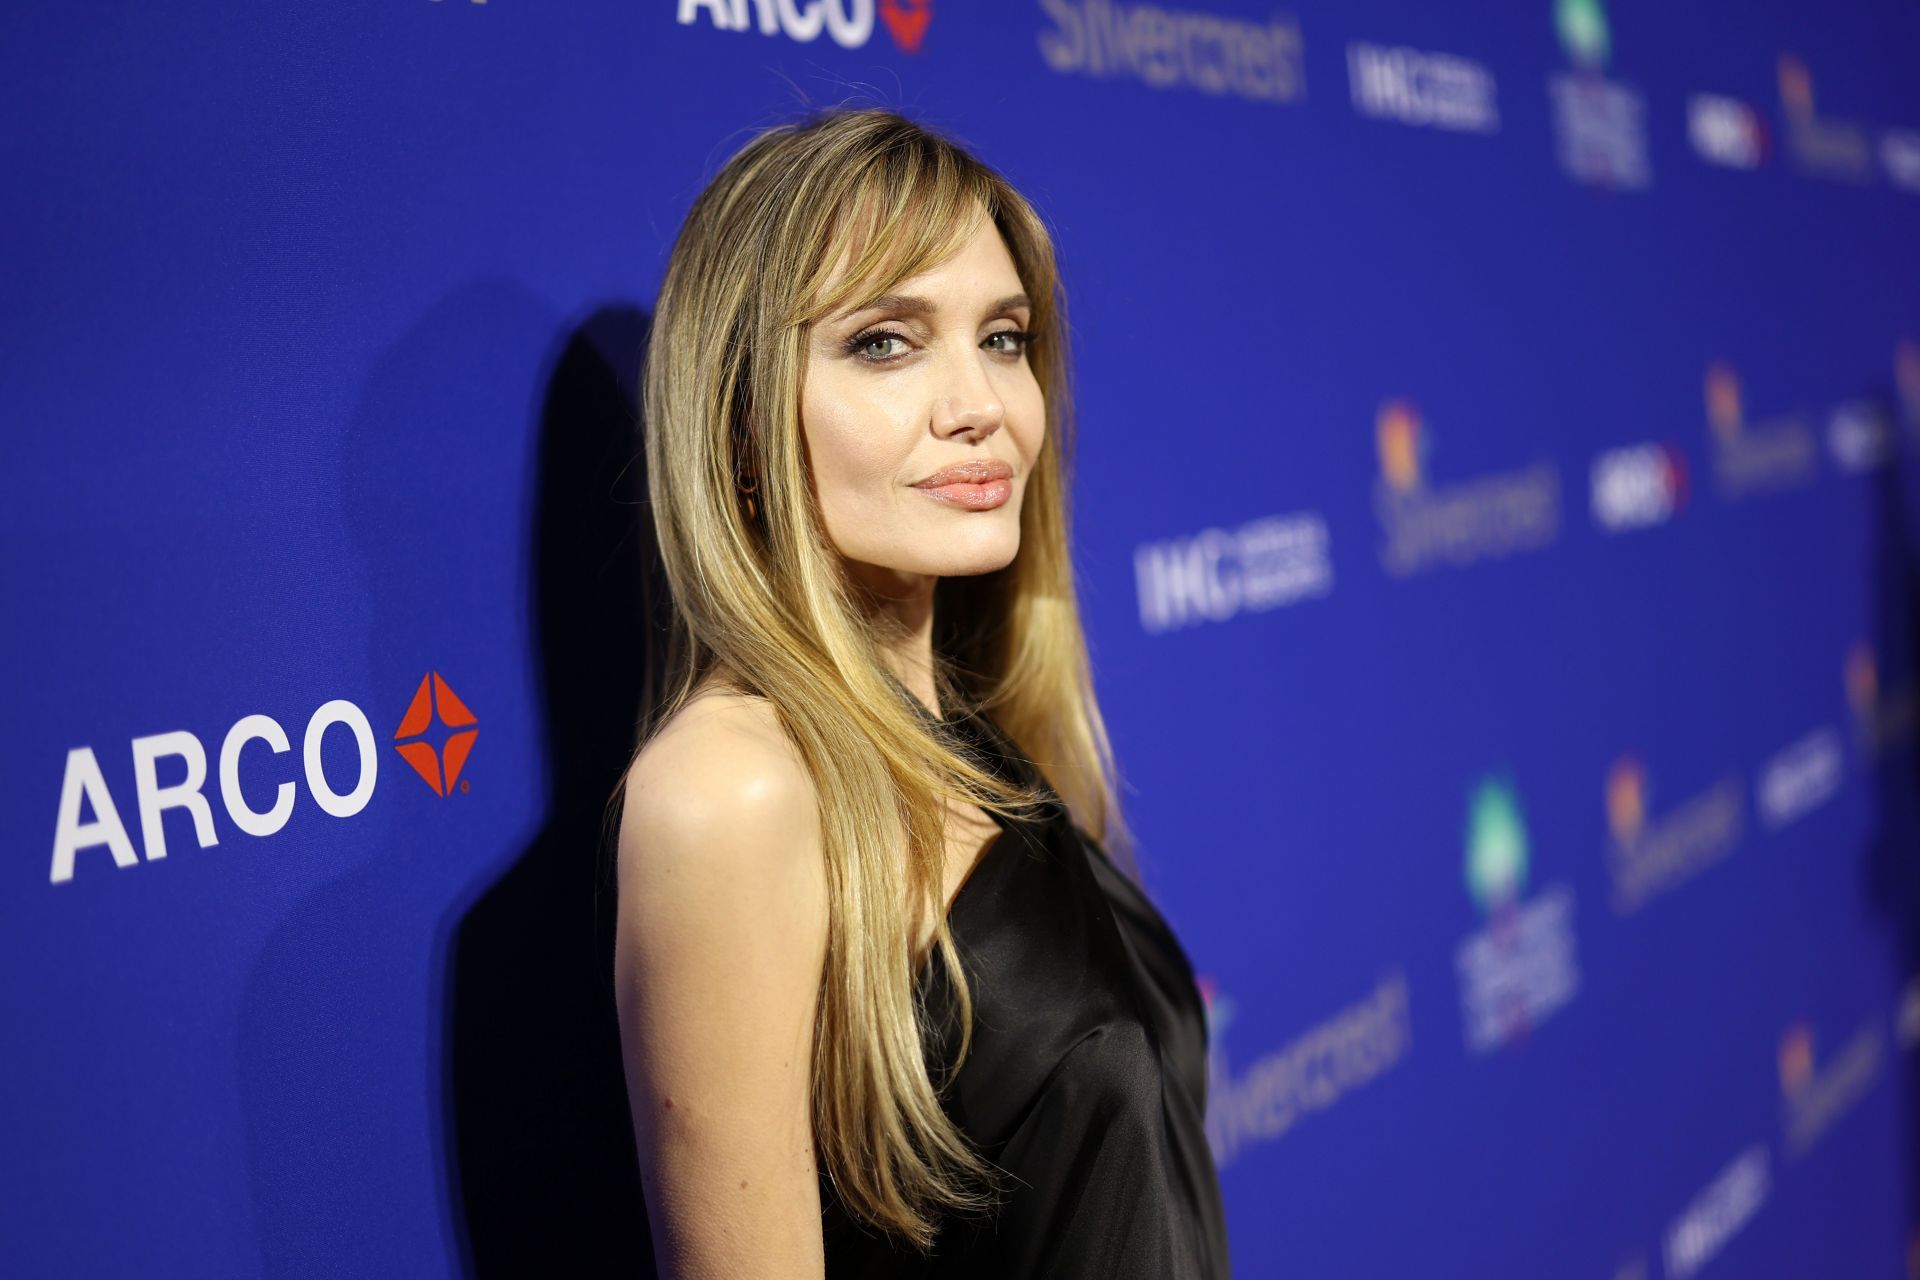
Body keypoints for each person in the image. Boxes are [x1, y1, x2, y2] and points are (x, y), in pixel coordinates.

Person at [609, 104, 1229, 1279]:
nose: (981, 404)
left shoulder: (982, 740)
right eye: (886, 342)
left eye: (1003, 337)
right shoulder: (731, 790)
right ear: (741, 420)